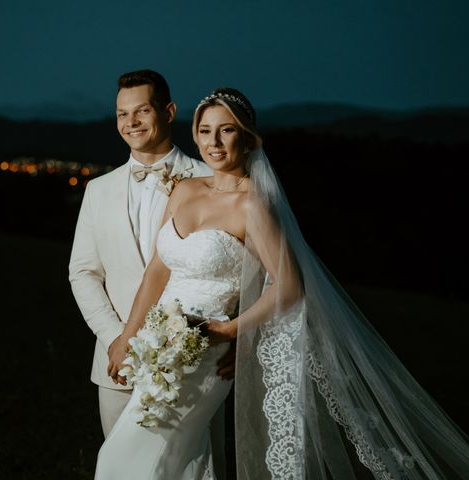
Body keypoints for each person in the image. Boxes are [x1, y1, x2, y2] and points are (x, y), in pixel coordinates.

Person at [97, 87, 469, 479]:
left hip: (204, 354)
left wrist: (230, 331)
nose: (215, 142)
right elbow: (157, 270)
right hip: (157, 348)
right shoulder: (185, 190)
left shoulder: (252, 205)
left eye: (227, 131)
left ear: (247, 137)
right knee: (167, 463)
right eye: (206, 131)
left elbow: (289, 285)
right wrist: (129, 335)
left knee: (125, 459)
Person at [69, 70, 231, 473]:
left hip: (197, 361)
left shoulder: (213, 180)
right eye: (122, 114)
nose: (131, 122)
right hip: (116, 368)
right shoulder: (98, 190)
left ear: (169, 111)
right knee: (123, 470)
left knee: (191, 470)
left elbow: (240, 272)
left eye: (142, 110)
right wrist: (115, 340)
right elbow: (83, 273)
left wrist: (238, 338)